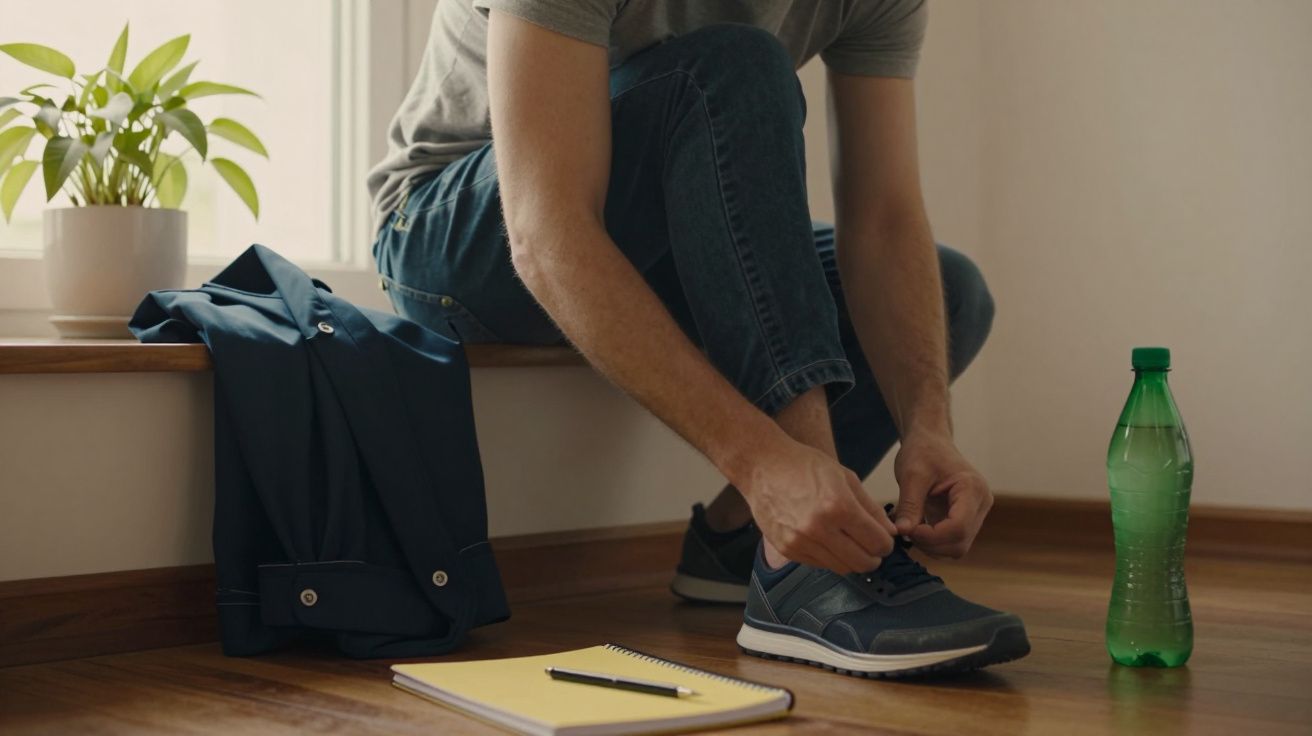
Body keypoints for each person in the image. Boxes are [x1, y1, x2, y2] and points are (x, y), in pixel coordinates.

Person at [368, 0, 1030, 677]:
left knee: (946, 294)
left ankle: (741, 543)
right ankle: (802, 570)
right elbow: (545, 233)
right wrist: (761, 459)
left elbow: (885, 220)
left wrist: (929, 426)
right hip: (459, 238)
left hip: (645, 233)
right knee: (733, 66)